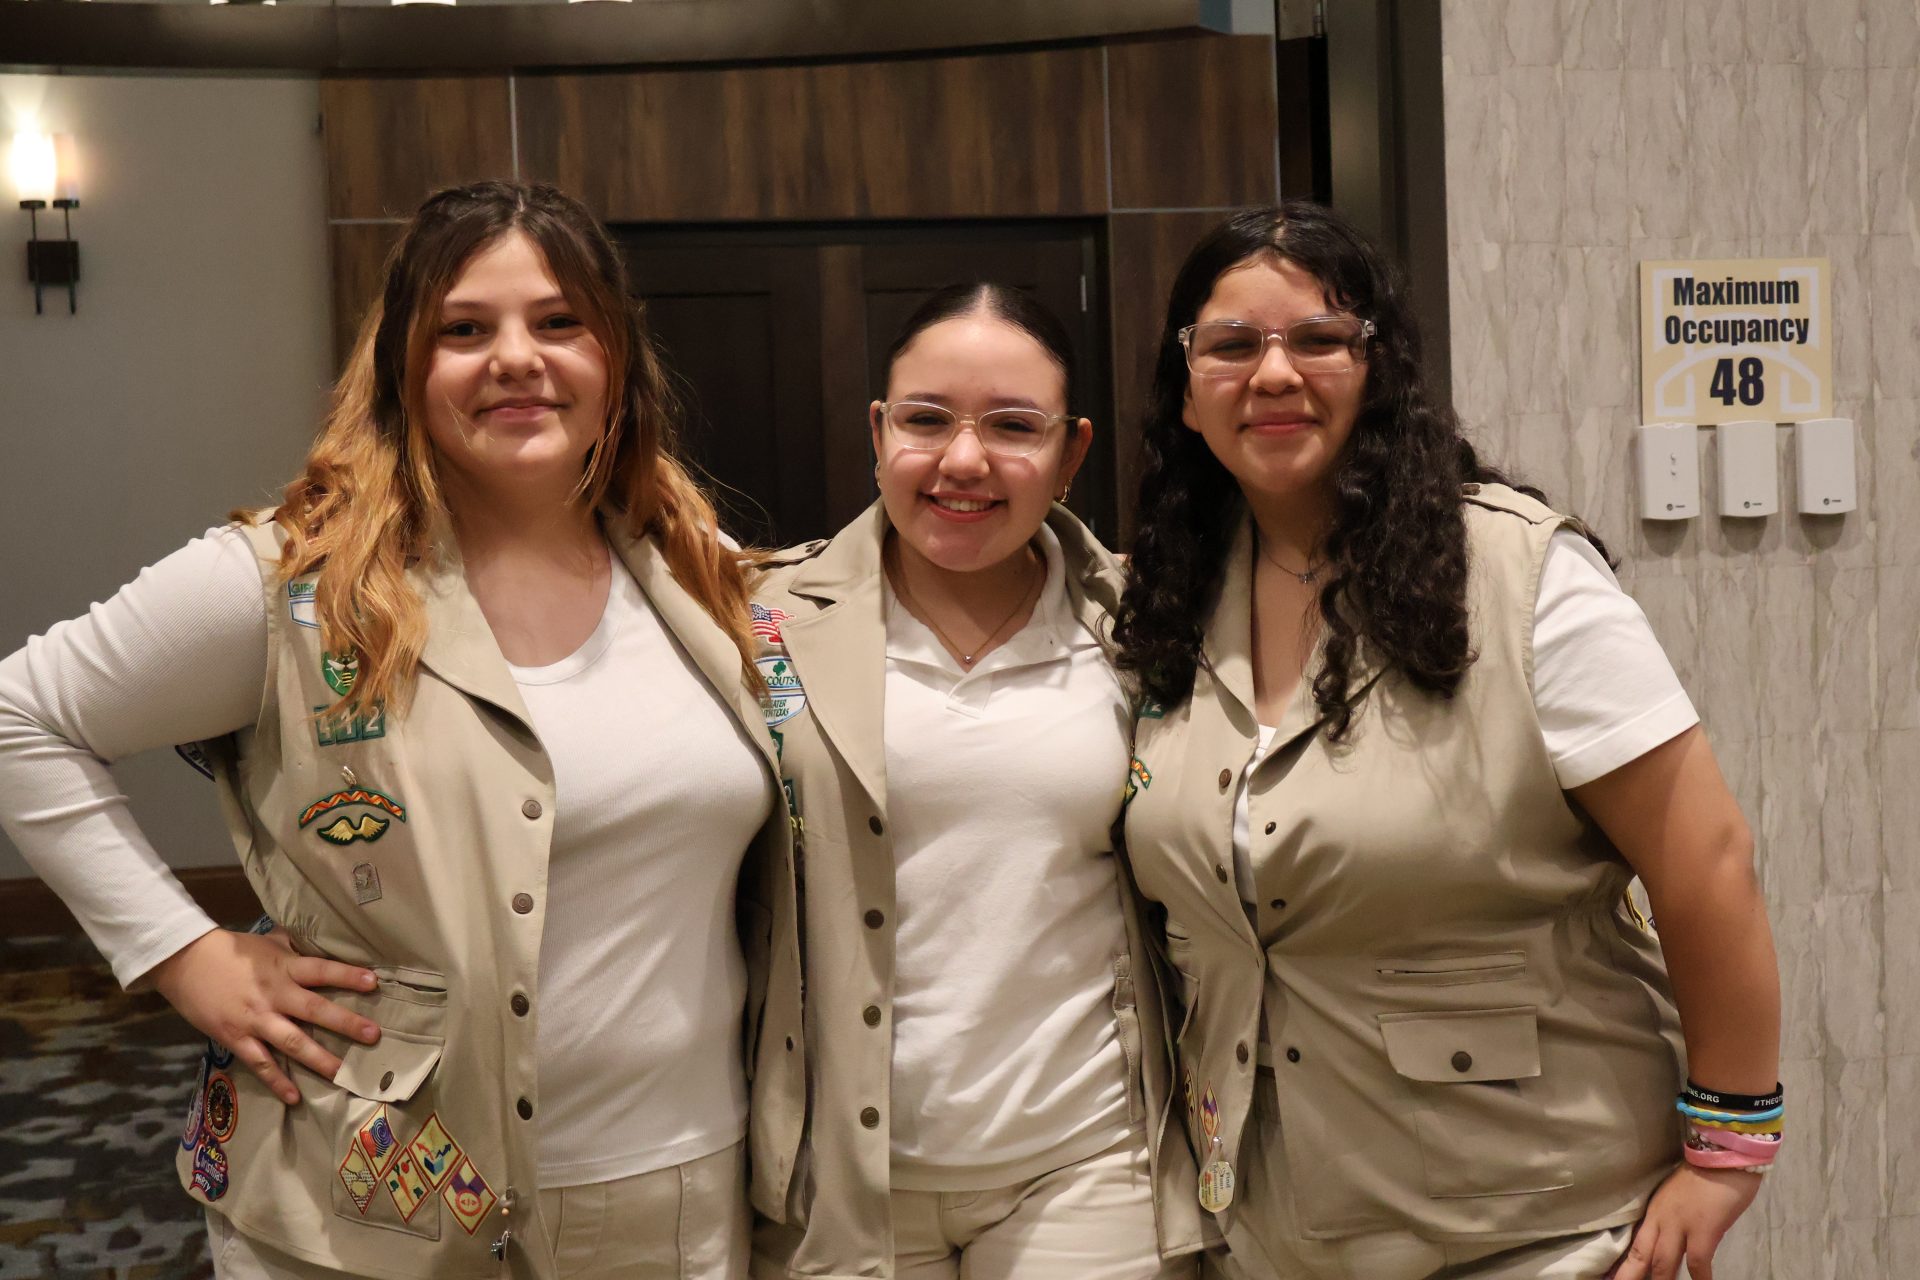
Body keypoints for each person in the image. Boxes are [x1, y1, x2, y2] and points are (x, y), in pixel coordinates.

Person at [0, 180, 804, 1280]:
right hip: (375, 1209)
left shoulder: (689, 565)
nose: (517, 356)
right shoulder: (292, 587)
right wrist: (184, 954)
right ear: (405, 369)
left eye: (559, 321)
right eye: (464, 329)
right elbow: (19, 713)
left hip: (673, 1192)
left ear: (616, 356)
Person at [1111, 203, 1782, 1280]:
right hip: (1271, 1230)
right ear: (1186, 392)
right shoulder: (1166, 608)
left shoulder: (1524, 580)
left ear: (1378, 369)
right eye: (1232, 345)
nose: (1273, 373)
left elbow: (1707, 861)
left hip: (1535, 1227)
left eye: (1318, 340)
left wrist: (1728, 1147)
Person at [745, 284, 1205, 1280]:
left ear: (1072, 453)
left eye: (1011, 426)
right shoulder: (763, 625)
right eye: (925, 419)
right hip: (841, 1173)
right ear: (878, 431)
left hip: (1088, 1162)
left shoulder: (1151, 630)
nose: (963, 459)